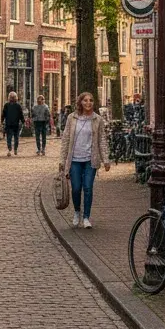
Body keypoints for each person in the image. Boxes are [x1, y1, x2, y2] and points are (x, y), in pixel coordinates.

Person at [58, 93, 110, 229]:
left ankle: (86, 217)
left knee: (87, 187)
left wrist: (106, 160)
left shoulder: (97, 120)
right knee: (76, 188)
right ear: (80, 102)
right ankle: (77, 212)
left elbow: (102, 140)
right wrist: (62, 161)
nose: (88, 103)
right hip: (75, 159)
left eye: (91, 100)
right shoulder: (72, 118)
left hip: (90, 159)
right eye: (85, 100)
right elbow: (65, 140)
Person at [1, 92, 24, 157]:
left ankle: (15, 149)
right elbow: (3, 114)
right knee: (9, 137)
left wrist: (23, 121)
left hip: (16, 124)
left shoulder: (18, 106)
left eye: (13, 97)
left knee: (16, 138)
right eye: (11, 97)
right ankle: (9, 148)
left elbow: (20, 114)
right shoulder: (6, 105)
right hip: (9, 124)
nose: (12, 98)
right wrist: (2, 121)